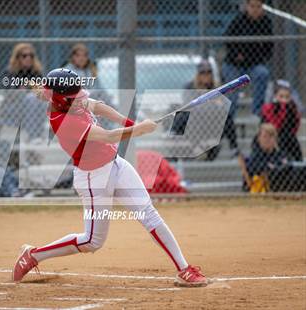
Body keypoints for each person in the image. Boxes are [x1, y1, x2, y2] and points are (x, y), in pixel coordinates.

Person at [12, 68, 209, 287]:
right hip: (93, 179)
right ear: (60, 101)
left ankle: (184, 269)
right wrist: (139, 130)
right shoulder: (63, 121)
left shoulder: (69, 100)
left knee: (148, 214)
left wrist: (129, 122)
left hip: (116, 165)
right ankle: (34, 255)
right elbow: (107, 136)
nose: (80, 101)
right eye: (73, 99)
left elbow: (98, 106)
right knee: (92, 241)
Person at [222, 0, 273, 116]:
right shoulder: (239, 20)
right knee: (233, 89)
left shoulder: (266, 22)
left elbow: (269, 47)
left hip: (254, 64)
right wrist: (236, 54)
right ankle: (229, 117)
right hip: (234, 64)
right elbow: (227, 40)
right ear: (247, 6)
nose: (255, 9)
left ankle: (257, 111)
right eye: (252, 6)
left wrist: (259, 58)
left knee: (263, 73)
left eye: (258, 6)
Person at [185, 60, 238, 160]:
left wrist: (211, 105)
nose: (206, 75)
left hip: (212, 122)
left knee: (227, 116)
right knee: (183, 116)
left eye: (208, 72)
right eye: (202, 72)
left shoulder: (216, 88)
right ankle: (196, 147)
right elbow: (190, 106)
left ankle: (233, 148)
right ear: (198, 74)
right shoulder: (190, 87)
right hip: (196, 122)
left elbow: (222, 107)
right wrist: (211, 104)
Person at [261, 80, 302, 161]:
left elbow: (295, 127)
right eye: (281, 96)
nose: (284, 100)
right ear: (275, 96)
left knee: (289, 138)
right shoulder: (269, 108)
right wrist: (282, 108)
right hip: (272, 137)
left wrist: (286, 108)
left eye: (287, 97)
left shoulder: (292, 108)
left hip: (288, 139)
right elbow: (275, 125)